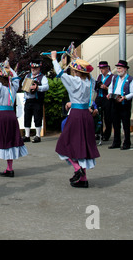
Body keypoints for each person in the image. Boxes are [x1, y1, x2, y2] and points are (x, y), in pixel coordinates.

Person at [51, 51, 100, 188]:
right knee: (82, 146)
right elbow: (86, 72)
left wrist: (54, 59)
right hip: (86, 115)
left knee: (64, 144)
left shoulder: (74, 81)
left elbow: (60, 73)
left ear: (76, 71)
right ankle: (83, 179)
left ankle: (77, 168)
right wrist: (76, 58)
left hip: (76, 115)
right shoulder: (91, 81)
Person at [107, 60, 133, 150]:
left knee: (126, 124)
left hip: (124, 104)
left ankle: (127, 143)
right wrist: (109, 94)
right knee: (115, 123)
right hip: (115, 102)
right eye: (117, 68)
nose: (118, 70)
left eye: (120, 68)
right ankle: (116, 142)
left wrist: (125, 97)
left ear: (125, 69)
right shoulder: (114, 78)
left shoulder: (130, 79)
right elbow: (111, 87)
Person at [22, 59, 49, 143]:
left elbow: (46, 87)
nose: (33, 70)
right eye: (32, 68)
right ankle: (27, 136)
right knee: (27, 117)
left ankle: (37, 135)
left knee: (37, 117)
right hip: (28, 100)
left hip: (37, 100)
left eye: (35, 68)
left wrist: (37, 87)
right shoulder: (27, 76)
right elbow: (23, 84)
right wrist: (26, 87)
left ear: (39, 69)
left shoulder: (42, 77)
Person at [94, 61, 114, 141]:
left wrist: (106, 88)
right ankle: (99, 133)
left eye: (102, 68)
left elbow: (113, 89)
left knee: (107, 117)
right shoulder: (100, 76)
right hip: (99, 97)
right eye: (100, 68)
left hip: (107, 98)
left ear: (107, 68)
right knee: (99, 116)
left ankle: (107, 134)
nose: (101, 70)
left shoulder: (112, 77)